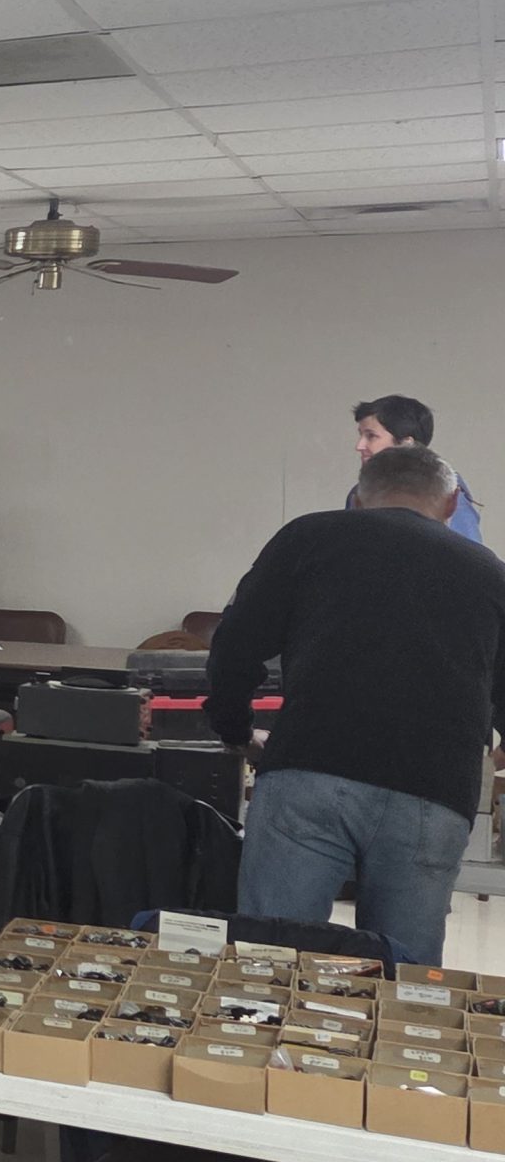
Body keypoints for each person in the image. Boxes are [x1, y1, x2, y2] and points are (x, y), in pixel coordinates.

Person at [207, 445, 505, 964]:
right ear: (453, 502)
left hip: (309, 769)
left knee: (270, 958)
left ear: (360, 497)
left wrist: (235, 729)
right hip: (435, 790)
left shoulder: (309, 537)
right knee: (403, 973)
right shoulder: (491, 574)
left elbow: (235, 645)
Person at [348, 394, 481, 543]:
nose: (359, 446)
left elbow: (466, 553)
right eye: (361, 435)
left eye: (371, 436)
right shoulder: (359, 491)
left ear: (406, 444)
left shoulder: (445, 493)